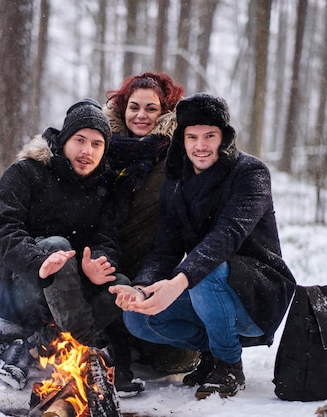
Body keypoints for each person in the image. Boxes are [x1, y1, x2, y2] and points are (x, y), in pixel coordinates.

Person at [109, 93, 297, 399]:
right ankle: (212, 351)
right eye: (192, 136)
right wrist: (142, 287)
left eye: (210, 136)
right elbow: (166, 247)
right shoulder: (176, 180)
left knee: (207, 272)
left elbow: (227, 235)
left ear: (224, 137)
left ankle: (229, 364)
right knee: (137, 316)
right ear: (181, 140)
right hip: (205, 288)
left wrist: (179, 281)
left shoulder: (251, 172)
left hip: (258, 293)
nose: (201, 145)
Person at [0, 98, 140, 396]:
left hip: (67, 285)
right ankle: (91, 353)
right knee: (57, 247)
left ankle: (35, 346)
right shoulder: (26, 173)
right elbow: (2, 232)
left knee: (120, 287)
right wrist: (38, 262)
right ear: (64, 140)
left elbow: (107, 241)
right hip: (10, 282)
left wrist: (96, 263)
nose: (87, 151)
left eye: (97, 144)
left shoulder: (105, 188)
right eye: (80, 140)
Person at [102, 73, 199, 385]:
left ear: (165, 113)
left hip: (156, 266)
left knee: (168, 359)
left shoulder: (177, 157)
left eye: (150, 108)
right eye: (134, 107)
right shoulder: (102, 148)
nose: (141, 115)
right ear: (122, 109)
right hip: (105, 262)